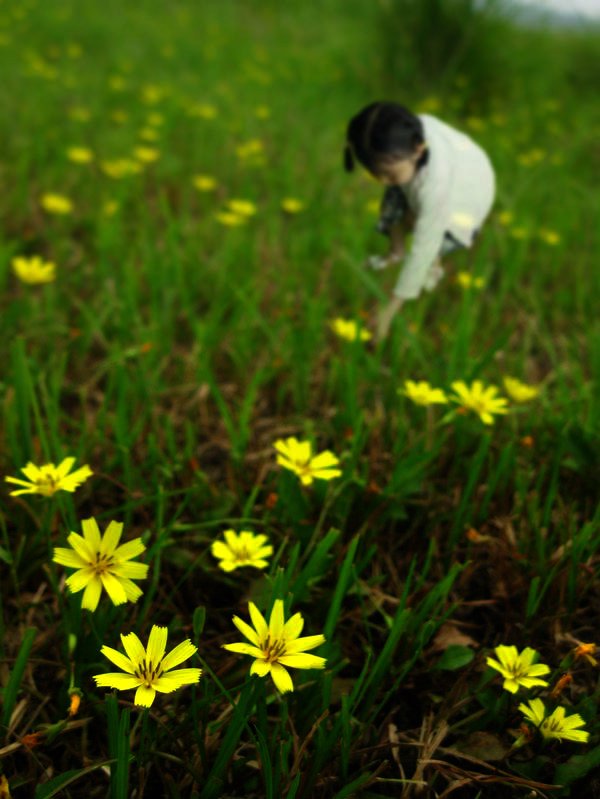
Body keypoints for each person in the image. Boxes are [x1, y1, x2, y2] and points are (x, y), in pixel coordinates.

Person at [344, 101, 495, 339]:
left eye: (388, 173)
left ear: (418, 149)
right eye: (375, 173)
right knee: (397, 196)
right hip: (453, 162)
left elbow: (423, 247)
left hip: (466, 198)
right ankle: (396, 251)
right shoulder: (404, 134)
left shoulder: (435, 187)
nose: (381, 181)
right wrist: (395, 179)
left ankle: (431, 265)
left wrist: (388, 312)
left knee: (422, 237)